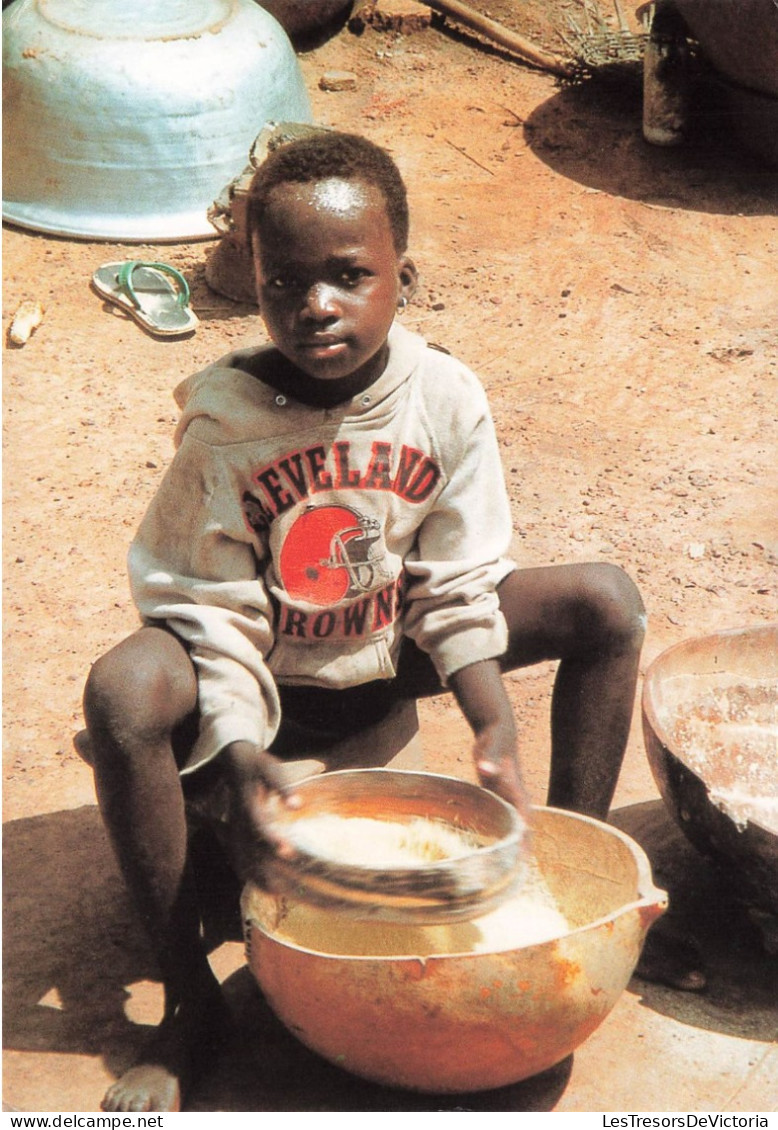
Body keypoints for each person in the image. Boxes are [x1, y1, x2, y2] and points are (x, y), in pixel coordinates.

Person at [81, 129, 651, 1113]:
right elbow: (197, 601)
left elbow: (457, 580)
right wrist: (235, 738)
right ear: (253, 284)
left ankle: (565, 897)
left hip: (389, 647)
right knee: (124, 689)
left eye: (349, 275)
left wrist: (488, 713)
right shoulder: (227, 417)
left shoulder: (442, 397)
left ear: (403, 274)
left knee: (605, 602)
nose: (316, 307)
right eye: (284, 282)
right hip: (264, 665)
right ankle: (188, 1001)